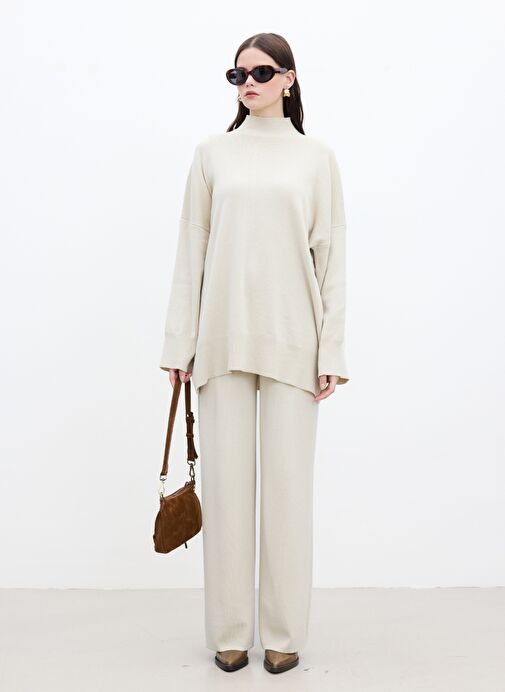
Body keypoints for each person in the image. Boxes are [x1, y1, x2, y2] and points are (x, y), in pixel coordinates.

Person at [159, 32, 350, 674]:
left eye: (262, 73)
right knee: (228, 491)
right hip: (222, 339)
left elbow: (331, 257)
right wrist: (179, 342)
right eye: (238, 74)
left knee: (288, 494)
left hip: (295, 341)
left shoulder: (316, 158)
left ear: (289, 79)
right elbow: (191, 248)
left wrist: (332, 350)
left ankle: (284, 632)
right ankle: (230, 631)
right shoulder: (212, 155)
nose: (249, 83)